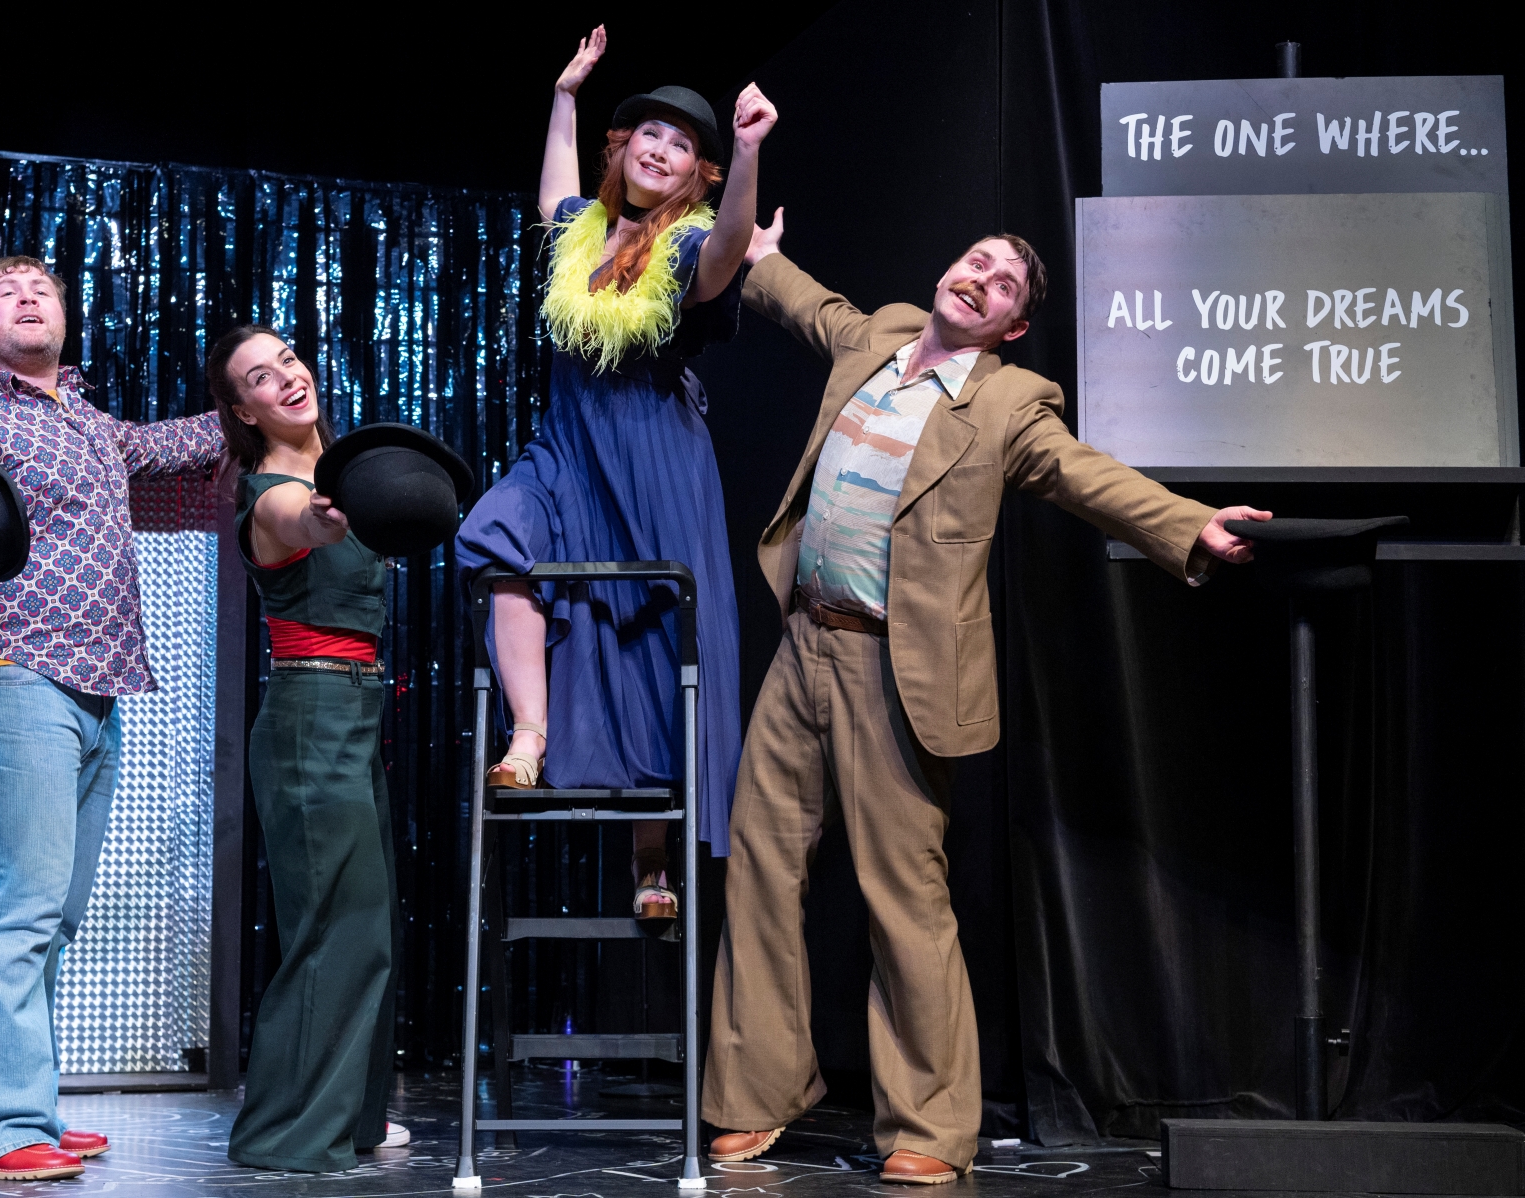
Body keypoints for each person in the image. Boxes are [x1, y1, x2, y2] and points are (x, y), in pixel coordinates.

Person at [701, 216, 1273, 1182]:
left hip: (898, 669)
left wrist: (1188, 523)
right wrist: (758, 252)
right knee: (760, 869)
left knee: (901, 895)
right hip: (804, 644)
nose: (981, 277)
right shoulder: (879, 334)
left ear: (1011, 325)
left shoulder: (1012, 401)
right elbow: (810, 305)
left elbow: (1083, 474)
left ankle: (927, 1125)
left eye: (1004, 283)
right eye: (977, 260)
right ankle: (756, 1095)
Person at [0, 255, 225, 1180]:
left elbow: (189, 439)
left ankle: (30, 1113)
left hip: (98, 686)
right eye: (6, 292)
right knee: (20, 910)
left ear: (66, 314)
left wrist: (268, 392)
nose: (28, 298)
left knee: (53, 917)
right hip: (7, 670)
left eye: (42, 288)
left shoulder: (92, 423)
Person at [454, 25, 777, 913]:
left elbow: (723, 256)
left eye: (683, 146)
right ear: (624, 149)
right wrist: (564, 95)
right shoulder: (579, 235)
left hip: (654, 457)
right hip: (568, 445)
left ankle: (653, 867)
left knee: (649, 639)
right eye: (650, 136)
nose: (662, 151)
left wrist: (747, 152)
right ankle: (529, 734)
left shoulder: (684, 247)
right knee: (495, 535)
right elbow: (554, 188)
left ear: (697, 174)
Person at [206, 325, 406, 1173]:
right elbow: (301, 520)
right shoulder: (272, 493)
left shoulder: (339, 470)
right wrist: (323, 516)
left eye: (287, 358)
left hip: (355, 712)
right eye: (260, 377)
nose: (285, 378)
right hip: (310, 715)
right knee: (338, 928)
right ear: (245, 411)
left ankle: (352, 1119)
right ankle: (286, 1132)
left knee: (370, 924)